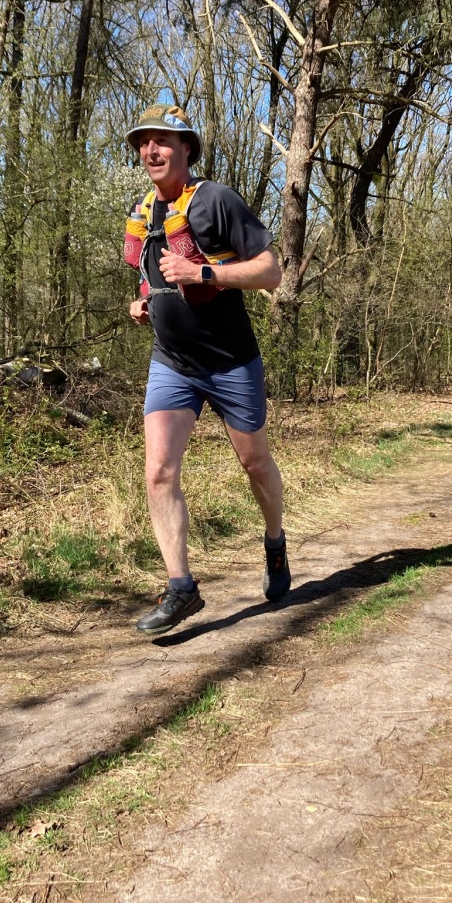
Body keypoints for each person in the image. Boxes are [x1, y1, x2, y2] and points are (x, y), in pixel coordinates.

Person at [123, 103, 291, 636]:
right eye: (143, 142)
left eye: (162, 141)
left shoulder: (217, 200)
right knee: (158, 471)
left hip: (230, 362)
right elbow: (157, 275)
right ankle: (181, 587)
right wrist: (146, 300)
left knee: (255, 464)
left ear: (186, 149)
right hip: (173, 363)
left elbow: (271, 271)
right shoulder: (145, 211)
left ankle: (275, 541)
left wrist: (204, 272)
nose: (151, 150)